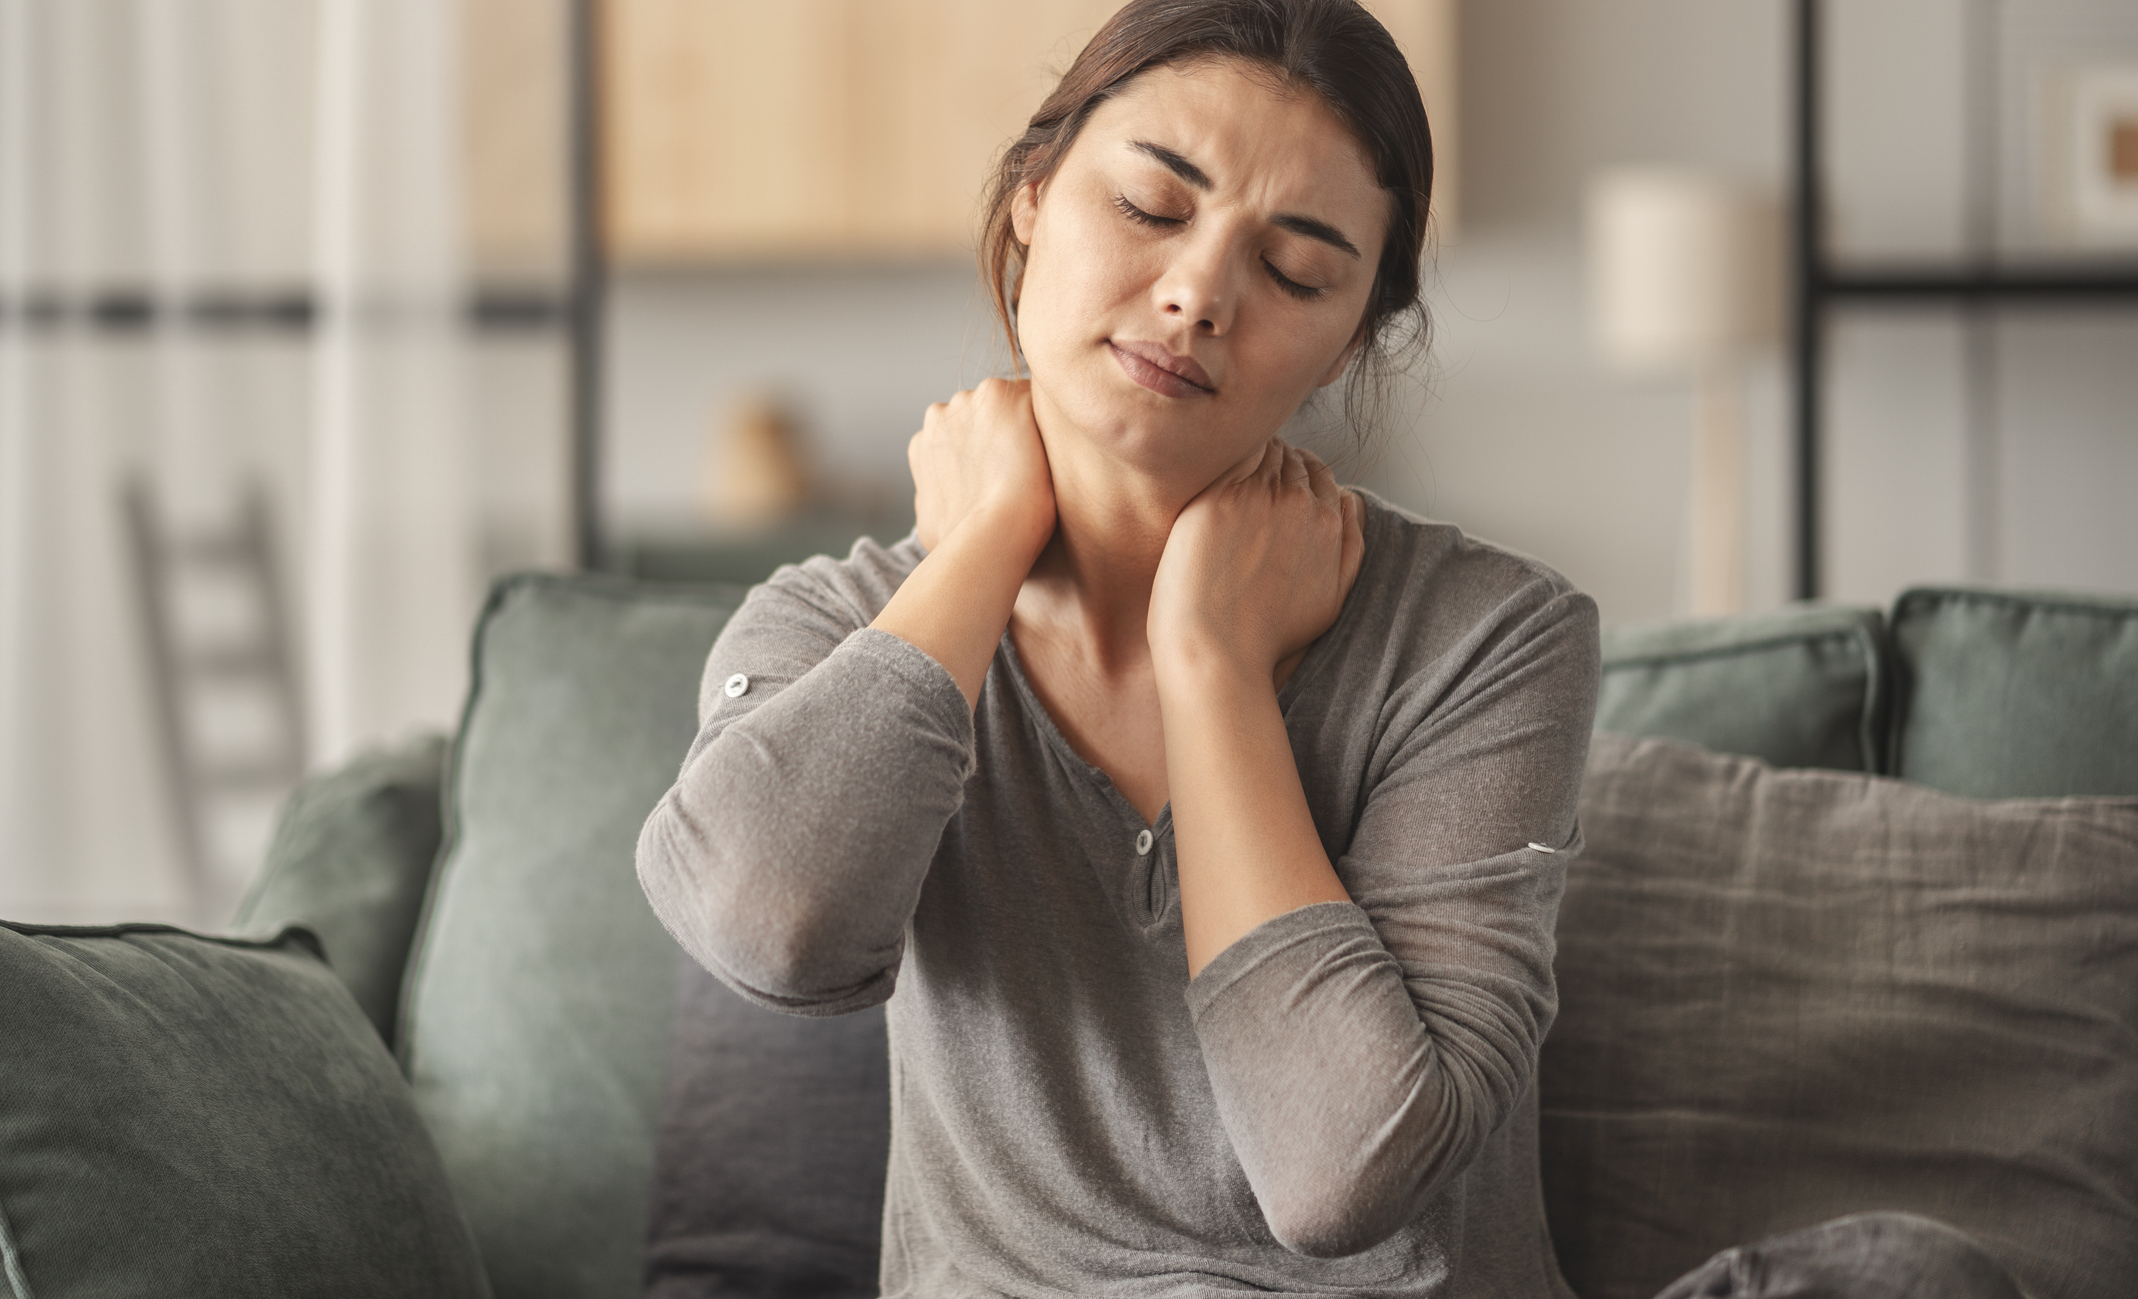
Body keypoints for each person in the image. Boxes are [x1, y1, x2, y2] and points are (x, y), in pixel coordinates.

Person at [637, 2, 2026, 1295]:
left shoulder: (1485, 638)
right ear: (1031, 200)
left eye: (1294, 269)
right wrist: (981, 550)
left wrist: (1211, 668)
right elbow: (773, 932)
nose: (1196, 294)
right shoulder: (840, 629)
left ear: (1350, 336)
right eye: (1147, 205)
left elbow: (1337, 1171)